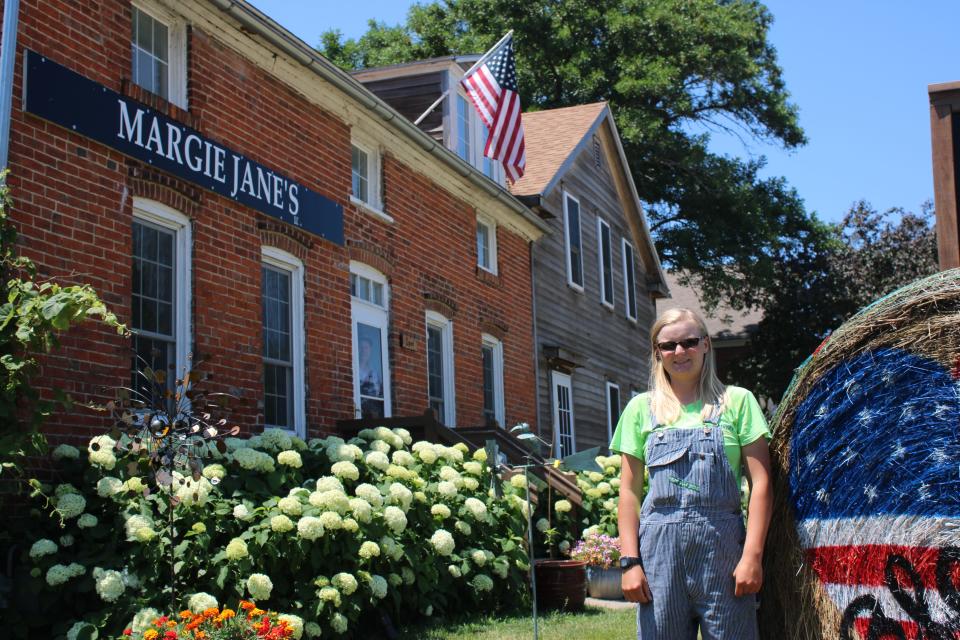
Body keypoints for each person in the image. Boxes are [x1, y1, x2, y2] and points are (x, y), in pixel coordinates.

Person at [610, 308, 772, 639]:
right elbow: (628, 493)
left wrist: (752, 556)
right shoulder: (641, 409)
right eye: (668, 345)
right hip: (660, 563)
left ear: (706, 345)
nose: (679, 352)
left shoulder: (737, 403)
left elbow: (762, 484)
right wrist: (630, 562)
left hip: (724, 558)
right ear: (657, 352)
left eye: (689, 342)